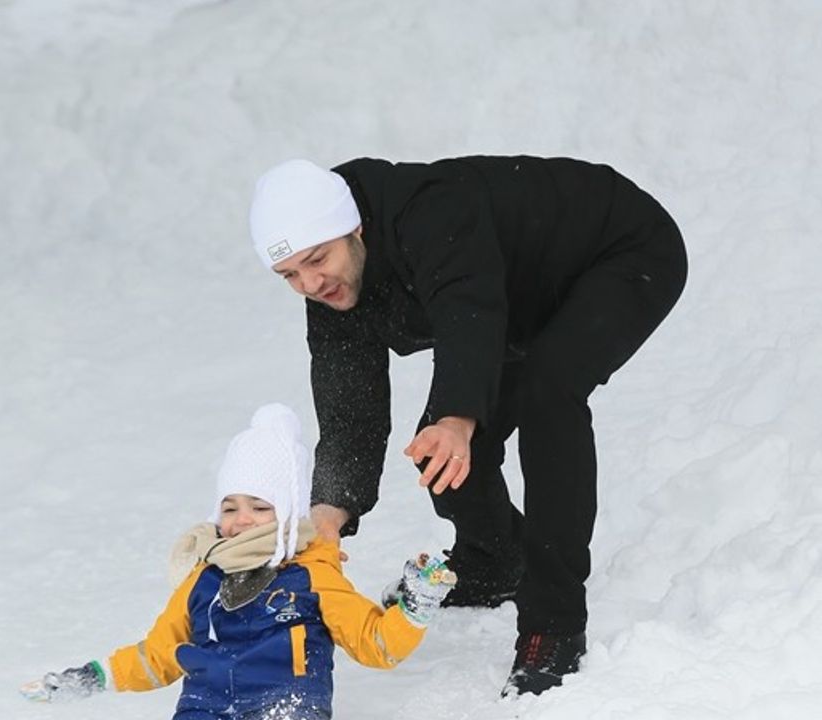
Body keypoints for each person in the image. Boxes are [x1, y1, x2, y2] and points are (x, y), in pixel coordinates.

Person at [248, 156, 687, 696]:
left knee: (547, 393)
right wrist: (328, 511)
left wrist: (459, 418)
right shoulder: (331, 282)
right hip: (518, 300)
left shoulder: (430, 209)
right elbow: (349, 407)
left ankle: (554, 625)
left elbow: (467, 306)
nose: (310, 284)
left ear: (355, 226)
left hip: (620, 251)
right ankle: (494, 557)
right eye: (288, 275)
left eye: (318, 260)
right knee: (441, 444)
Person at [21, 404, 456, 719]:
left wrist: (414, 608)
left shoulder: (312, 574)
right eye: (229, 508)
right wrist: (95, 677)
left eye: (259, 507)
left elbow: (375, 643)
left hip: (285, 707)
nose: (241, 520)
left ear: (288, 515)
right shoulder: (204, 577)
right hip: (204, 708)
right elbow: (158, 654)